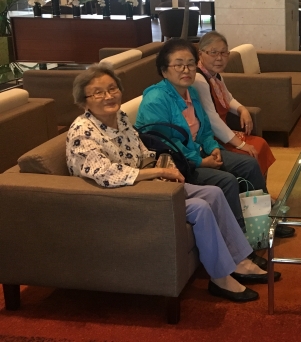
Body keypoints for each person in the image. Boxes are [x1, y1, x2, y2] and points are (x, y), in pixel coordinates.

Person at [66, 65, 280, 303]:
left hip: (148, 187)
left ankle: (240, 261)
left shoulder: (121, 119)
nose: (108, 96)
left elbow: (142, 152)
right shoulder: (82, 131)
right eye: (98, 92)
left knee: (214, 193)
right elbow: (105, 173)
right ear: (84, 101)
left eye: (112, 89)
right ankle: (220, 278)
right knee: (200, 207)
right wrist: (156, 172)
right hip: (121, 199)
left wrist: (163, 167)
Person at [136, 39, 266, 233]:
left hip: (200, 150)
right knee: (227, 180)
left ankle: (262, 222)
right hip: (179, 163)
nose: (186, 70)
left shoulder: (191, 92)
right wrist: (201, 162)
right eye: (178, 65)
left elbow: (205, 129)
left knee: (249, 165)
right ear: (164, 70)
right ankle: (240, 235)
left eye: (190, 64)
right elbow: (167, 145)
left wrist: (213, 147)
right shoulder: (156, 100)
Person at [194, 31, 277, 182]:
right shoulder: (199, 79)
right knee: (251, 152)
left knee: (261, 144)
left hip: (222, 131)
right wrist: (241, 145)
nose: (219, 58)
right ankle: (251, 191)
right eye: (213, 52)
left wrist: (242, 109)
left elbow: (228, 98)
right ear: (201, 54)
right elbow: (212, 119)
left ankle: (259, 190)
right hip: (211, 138)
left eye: (223, 53)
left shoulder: (215, 75)